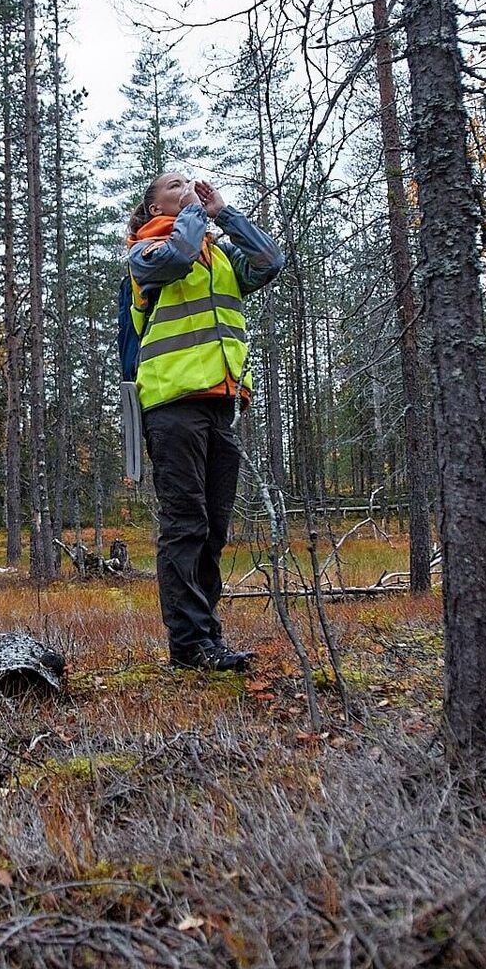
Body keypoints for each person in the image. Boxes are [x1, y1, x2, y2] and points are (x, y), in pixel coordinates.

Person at [125, 172, 285, 671]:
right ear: (154, 207)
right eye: (175, 185)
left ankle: (207, 636)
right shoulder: (144, 253)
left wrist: (226, 215)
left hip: (223, 403)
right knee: (185, 523)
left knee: (214, 527)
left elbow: (269, 261)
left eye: (191, 182)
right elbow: (176, 258)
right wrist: (195, 215)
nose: (188, 185)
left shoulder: (219, 257)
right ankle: (189, 645)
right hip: (172, 405)